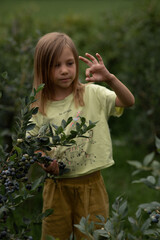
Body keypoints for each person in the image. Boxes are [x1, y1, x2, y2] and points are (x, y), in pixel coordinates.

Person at [28, 32, 135, 240]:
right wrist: (44, 161)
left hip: (92, 186)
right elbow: (32, 144)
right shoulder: (38, 107)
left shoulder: (93, 94)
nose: (65, 70)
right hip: (56, 188)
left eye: (69, 63)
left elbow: (128, 101)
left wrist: (110, 79)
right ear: (43, 69)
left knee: (94, 236)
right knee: (54, 236)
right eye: (56, 65)